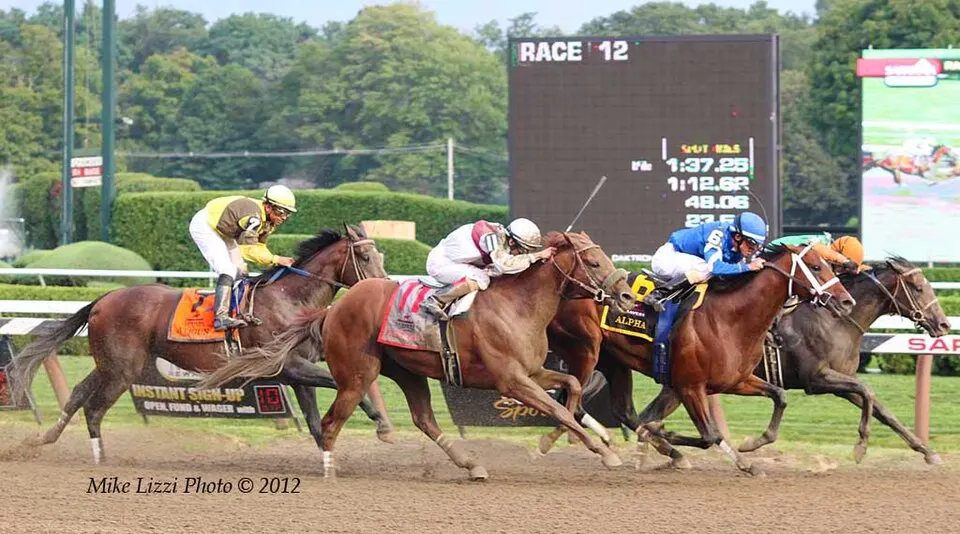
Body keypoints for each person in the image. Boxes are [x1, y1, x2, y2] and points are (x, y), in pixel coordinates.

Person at [188, 185, 298, 330]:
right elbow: (247, 250)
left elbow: (258, 246)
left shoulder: (268, 223)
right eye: (281, 212)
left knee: (241, 271)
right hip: (206, 225)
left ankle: (238, 312)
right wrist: (276, 259)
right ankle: (220, 318)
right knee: (227, 270)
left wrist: (274, 259)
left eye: (287, 214)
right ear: (269, 206)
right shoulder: (254, 217)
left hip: (225, 231)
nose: (283, 217)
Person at [419, 218, 556, 320]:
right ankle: (435, 300)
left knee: (490, 275)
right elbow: (504, 265)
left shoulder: (503, 239)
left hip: (462, 263)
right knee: (482, 278)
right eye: (522, 250)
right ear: (512, 242)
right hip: (441, 264)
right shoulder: (490, 238)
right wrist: (537, 256)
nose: (522, 254)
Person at [642, 212, 768, 312]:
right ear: (738, 237)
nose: (754, 249)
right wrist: (748, 267)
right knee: (708, 268)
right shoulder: (718, 234)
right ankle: (658, 294)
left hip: (687, 263)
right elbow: (715, 267)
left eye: (758, 246)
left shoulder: (738, 248)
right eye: (751, 243)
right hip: (667, 259)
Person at [766, 233, 867, 275]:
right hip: (771, 256)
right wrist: (844, 261)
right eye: (843, 268)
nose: (841, 272)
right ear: (838, 252)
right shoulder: (820, 243)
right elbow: (820, 250)